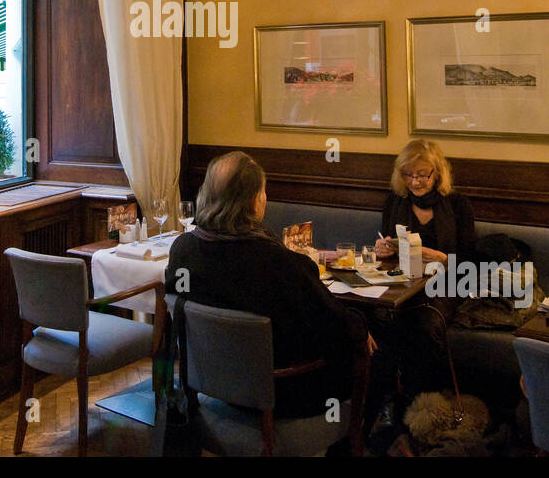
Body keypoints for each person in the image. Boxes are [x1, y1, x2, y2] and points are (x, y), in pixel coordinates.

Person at [165, 151, 370, 418]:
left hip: (214, 383)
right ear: (253, 201)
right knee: (378, 356)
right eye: (263, 192)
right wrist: (360, 328)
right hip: (283, 392)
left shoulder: (183, 249)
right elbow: (331, 325)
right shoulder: (276, 262)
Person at [369, 140, 478, 422]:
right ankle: (385, 401)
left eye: (422, 174)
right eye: (409, 175)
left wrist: (439, 256)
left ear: (437, 173)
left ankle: (417, 405)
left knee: (424, 324)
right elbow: (386, 250)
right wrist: (383, 250)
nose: (415, 182)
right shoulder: (395, 201)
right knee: (375, 317)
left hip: (448, 283)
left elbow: (470, 264)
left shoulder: (457, 204)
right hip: (402, 282)